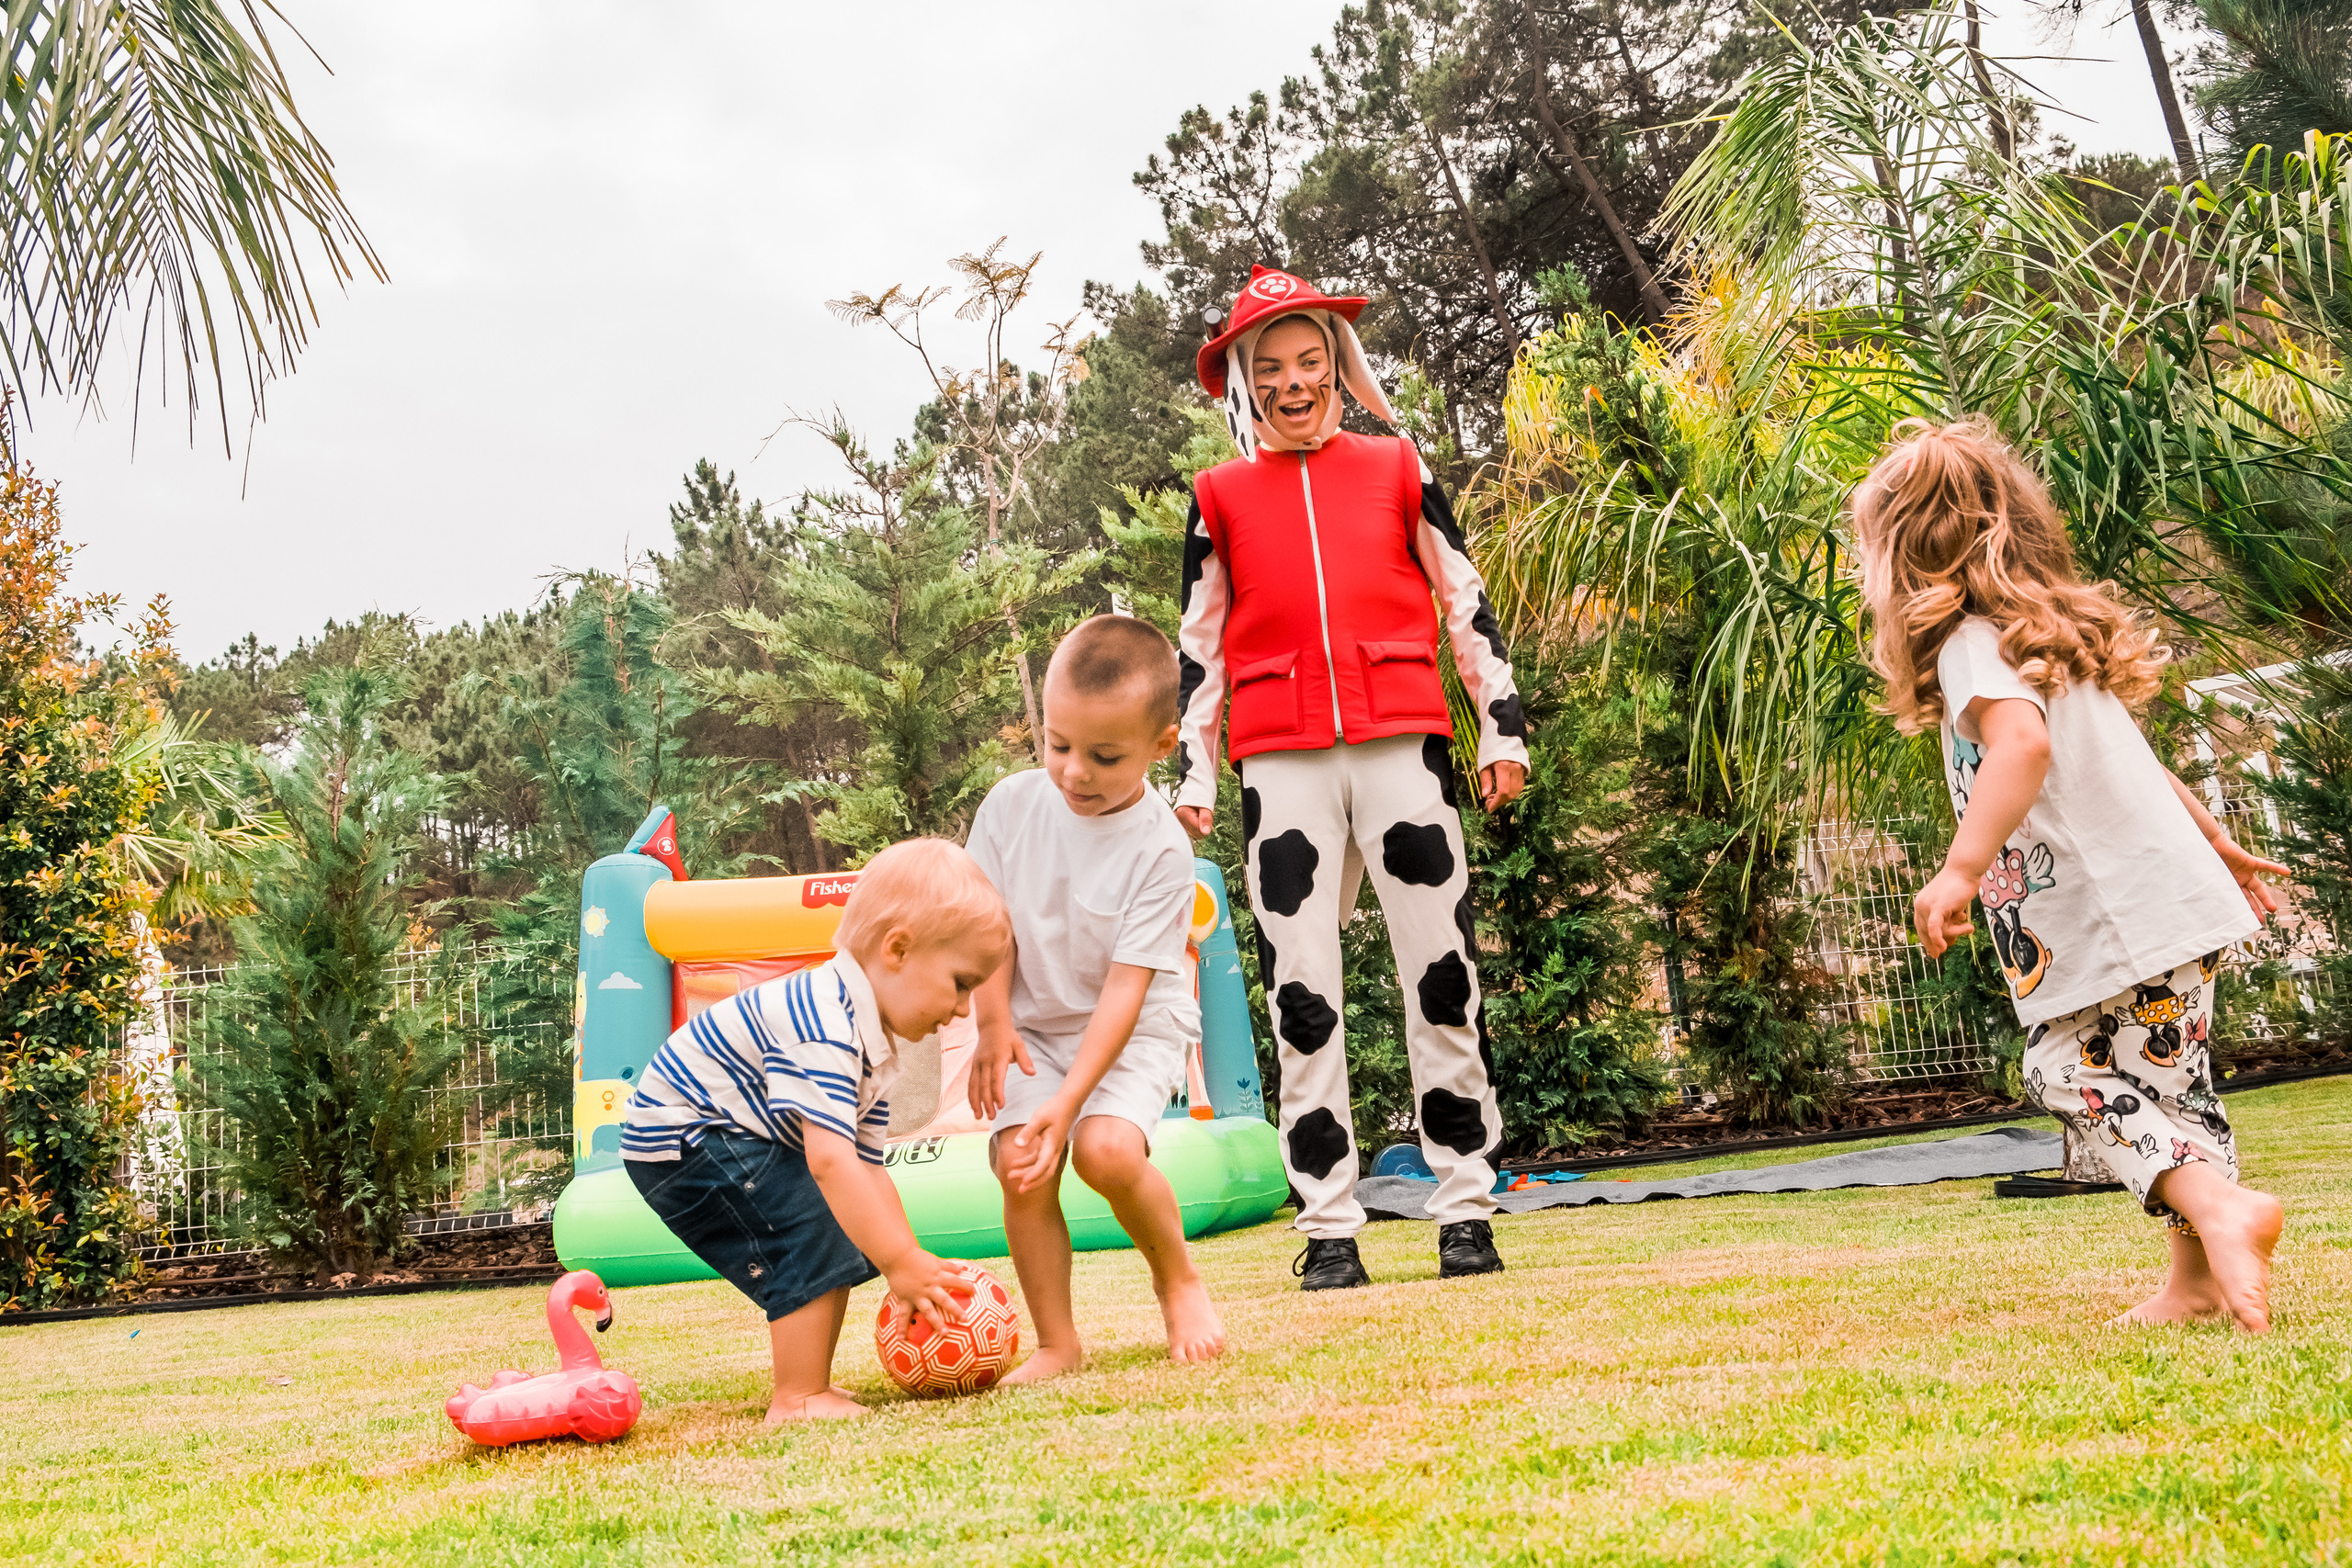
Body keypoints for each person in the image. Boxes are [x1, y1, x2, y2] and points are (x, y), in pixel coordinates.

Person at [1857, 416, 2290, 1333]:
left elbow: (2022, 747)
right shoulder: (2039, 639)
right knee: (2175, 1092)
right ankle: (2200, 1276)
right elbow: (2140, 765)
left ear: (1904, 558)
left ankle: (2217, 1210)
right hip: (2168, 900)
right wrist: (2220, 845)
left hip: (2108, 918)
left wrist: (1958, 870)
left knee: (2063, 1068)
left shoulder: (1972, 643)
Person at [1176, 265, 1529, 1291]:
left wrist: (1499, 730)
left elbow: (1464, 600)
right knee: (1303, 996)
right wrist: (1195, 768)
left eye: (1311, 362)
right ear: (1245, 380)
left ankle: (1464, 1204)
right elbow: (1199, 645)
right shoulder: (1218, 496)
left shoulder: (1396, 466)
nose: (1295, 384)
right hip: (1279, 761)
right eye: (1272, 367)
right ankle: (1328, 1223)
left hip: (1404, 746)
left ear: (1338, 367)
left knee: (1443, 977)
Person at [619, 838, 1012, 1420]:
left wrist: (906, 1259)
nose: (963, 1010)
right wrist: (901, 1262)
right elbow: (829, 1162)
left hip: (723, 1133)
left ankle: (813, 1385)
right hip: (684, 1135)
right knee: (807, 1227)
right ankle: (798, 1394)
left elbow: (868, 1171)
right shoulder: (824, 1024)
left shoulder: (875, 1048)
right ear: (897, 949)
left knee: (844, 1224)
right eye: (960, 983)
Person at [967, 614, 1227, 1378]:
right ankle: (1058, 1341)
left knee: (1105, 1152)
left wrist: (1071, 1099)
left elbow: (1125, 991)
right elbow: (989, 934)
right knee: (1022, 1156)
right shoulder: (1010, 809)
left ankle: (1177, 1276)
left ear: (1161, 745)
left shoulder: (1160, 848)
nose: (1074, 771)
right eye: (1058, 745)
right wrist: (992, 1025)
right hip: (1034, 1025)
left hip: (1134, 1027)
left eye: (1104, 755)